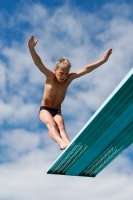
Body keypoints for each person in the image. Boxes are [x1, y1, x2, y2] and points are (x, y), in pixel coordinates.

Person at [28, 35, 112, 150]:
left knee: (61, 127)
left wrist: (103, 60)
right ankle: (60, 142)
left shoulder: (69, 79)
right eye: (61, 73)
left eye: (66, 73)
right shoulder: (49, 76)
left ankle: (69, 145)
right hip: (45, 109)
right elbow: (39, 63)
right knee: (52, 124)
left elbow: (86, 69)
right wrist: (32, 49)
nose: (63, 76)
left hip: (57, 110)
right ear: (55, 70)